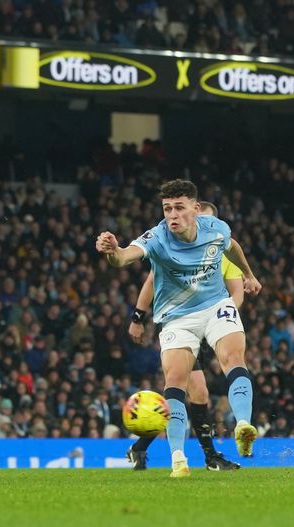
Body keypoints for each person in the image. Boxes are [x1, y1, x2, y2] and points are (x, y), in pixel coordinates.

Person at [96, 179, 262, 478]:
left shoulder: (215, 228)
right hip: (176, 317)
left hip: (215, 307)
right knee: (176, 381)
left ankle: (242, 425)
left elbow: (232, 246)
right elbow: (122, 259)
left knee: (233, 358)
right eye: (167, 208)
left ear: (195, 210)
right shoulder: (157, 237)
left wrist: (248, 274)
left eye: (179, 208)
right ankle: (178, 460)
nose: (172, 215)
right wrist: (112, 249)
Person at [125, 201, 241, 471]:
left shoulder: (222, 256)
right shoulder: (175, 251)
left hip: (210, 326)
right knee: (193, 391)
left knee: (191, 393)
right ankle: (209, 457)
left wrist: (219, 323)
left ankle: (140, 448)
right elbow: (152, 281)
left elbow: (237, 295)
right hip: (179, 324)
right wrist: (138, 317)